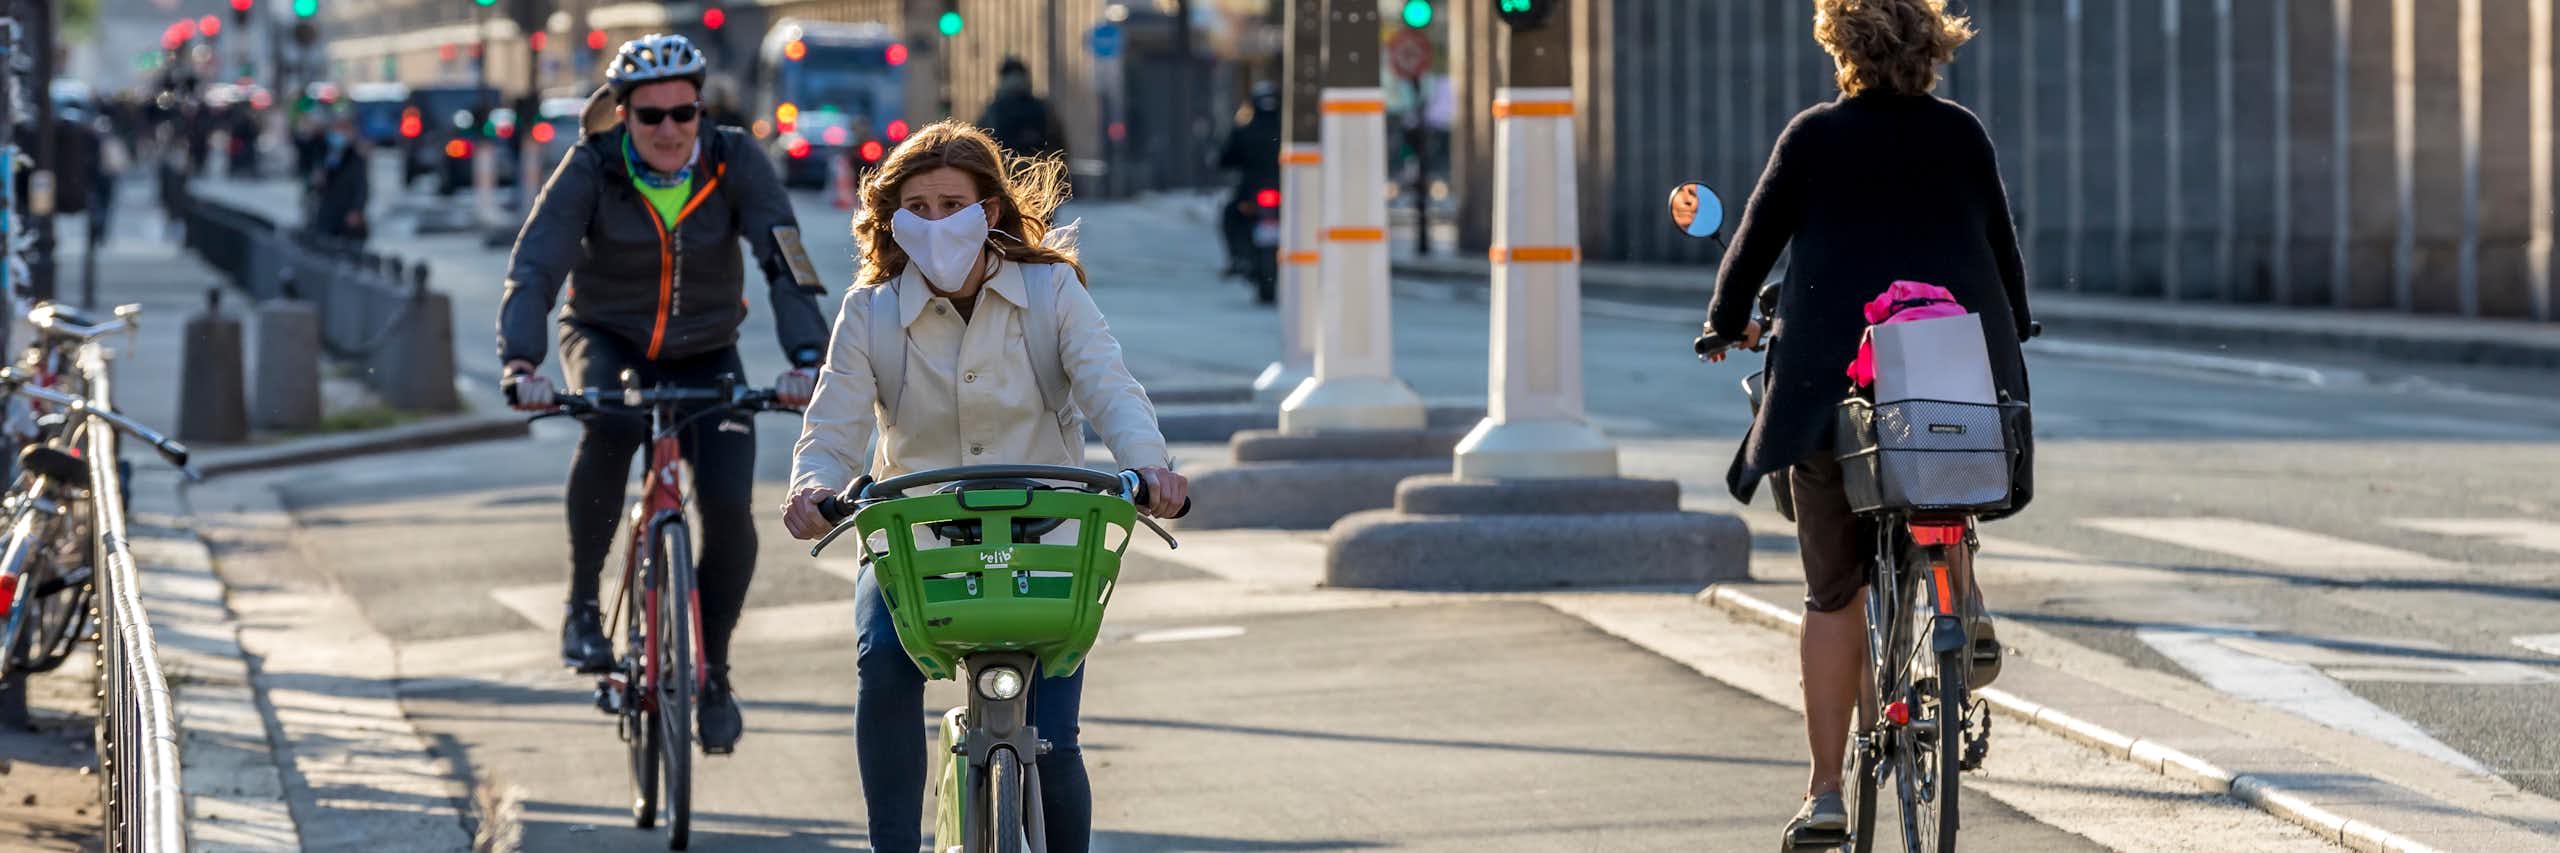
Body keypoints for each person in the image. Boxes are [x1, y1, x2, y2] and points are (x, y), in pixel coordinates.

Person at [779, 120, 1189, 853]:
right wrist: (812, 488)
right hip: (916, 539)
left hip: (1048, 540)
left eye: (951, 204)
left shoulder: (1051, 289)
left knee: (1055, 740)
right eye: (918, 207)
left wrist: (1151, 468)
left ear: (989, 211)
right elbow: (834, 423)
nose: (934, 222)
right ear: (893, 217)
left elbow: (1111, 386)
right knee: (883, 664)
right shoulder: (869, 312)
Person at [1700, 0, 2032, 844]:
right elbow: (2001, 250)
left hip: (1833, 390)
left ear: (1840, 51)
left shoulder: (1813, 137)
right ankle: (1962, 590)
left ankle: (1822, 793)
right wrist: (2014, 321)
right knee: (1942, 462)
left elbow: (1751, 244)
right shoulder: (1962, 135)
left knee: (1831, 588)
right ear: (1931, 50)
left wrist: (1724, 318)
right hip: (1953, 379)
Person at [496, 33, 830, 753]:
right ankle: (584, 606)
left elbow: (787, 258)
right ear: (622, 116)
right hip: (606, 336)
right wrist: (522, 363)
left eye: (685, 112)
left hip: (710, 347)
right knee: (611, 426)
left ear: (701, 108)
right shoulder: (591, 168)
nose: (671, 130)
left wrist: (809, 356)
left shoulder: (733, 159)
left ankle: (713, 671)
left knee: (731, 512)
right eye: (651, 117)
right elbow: (537, 265)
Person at [1214, 81, 1282, 277]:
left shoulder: (1244, 130)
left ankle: (1237, 258)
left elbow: (1226, 158)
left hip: (1251, 190)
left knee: (1231, 215)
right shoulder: (1287, 131)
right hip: (1280, 189)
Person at [974, 56, 1068, 159]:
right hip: (1039, 169)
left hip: (1004, 169)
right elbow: (1060, 145)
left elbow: (978, 143)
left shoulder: (992, 110)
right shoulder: (1043, 107)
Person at [306, 111, 369, 243]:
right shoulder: (325, 154)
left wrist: (357, 210)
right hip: (326, 212)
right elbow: (314, 183)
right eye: (336, 128)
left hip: (346, 213)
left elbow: (362, 186)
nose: (339, 134)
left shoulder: (356, 157)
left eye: (343, 129)